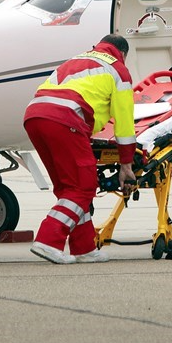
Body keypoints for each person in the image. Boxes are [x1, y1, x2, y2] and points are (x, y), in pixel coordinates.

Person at [23, 34, 136, 264]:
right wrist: (126, 164)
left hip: (35, 116)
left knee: (69, 188)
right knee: (84, 186)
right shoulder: (118, 70)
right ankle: (48, 240)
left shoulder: (76, 60)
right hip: (66, 118)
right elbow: (125, 124)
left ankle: (83, 248)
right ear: (122, 55)